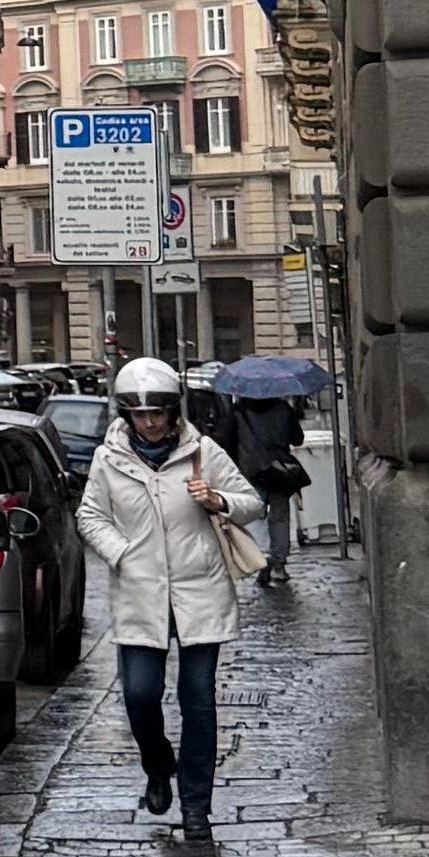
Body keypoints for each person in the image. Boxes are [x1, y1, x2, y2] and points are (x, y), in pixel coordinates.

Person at [77, 355, 269, 832]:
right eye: (140, 414)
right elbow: (90, 517)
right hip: (140, 595)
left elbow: (253, 503)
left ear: (172, 412)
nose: (150, 423)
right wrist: (121, 553)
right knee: (141, 696)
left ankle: (196, 807)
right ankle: (158, 766)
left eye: (158, 413)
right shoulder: (109, 459)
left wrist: (218, 501)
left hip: (200, 591)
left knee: (198, 702)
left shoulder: (203, 453)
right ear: (127, 415)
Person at [224, 372, 307, 586]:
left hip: (250, 471)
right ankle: (278, 564)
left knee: (253, 515)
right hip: (279, 470)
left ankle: (261, 557)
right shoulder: (282, 409)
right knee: (280, 517)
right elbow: (298, 439)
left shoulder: (238, 411)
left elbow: (227, 441)